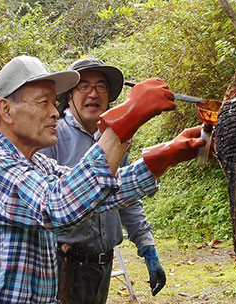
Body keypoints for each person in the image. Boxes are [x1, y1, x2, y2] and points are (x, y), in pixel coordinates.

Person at [0, 55, 205, 304]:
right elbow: (58, 207)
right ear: (6, 110)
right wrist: (127, 118)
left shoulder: (37, 163)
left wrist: (165, 156)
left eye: (53, 103)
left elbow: (104, 192)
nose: (54, 112)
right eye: (43, 102)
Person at [40, 58, 165, 303]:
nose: (93, 94)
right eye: (83, 86)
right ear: (69, 96)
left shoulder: (116, 140)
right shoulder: (52, 136)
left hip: (101, 265)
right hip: (63, 264)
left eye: (100, 86)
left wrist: (146, 245)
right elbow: (48, 202)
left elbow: (126, 196)